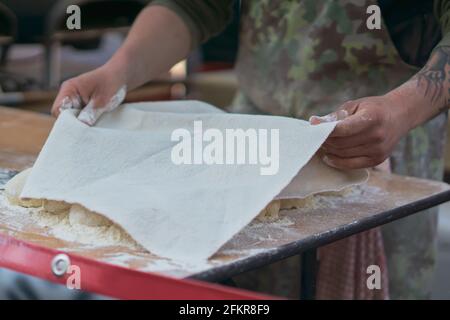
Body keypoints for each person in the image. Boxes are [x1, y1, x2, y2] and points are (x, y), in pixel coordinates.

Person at [50, 0, 450, 299]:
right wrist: (116, 72)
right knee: (245, 294)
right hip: (252, 144)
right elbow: (194, 6)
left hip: (376, 144)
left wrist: (401, 108)